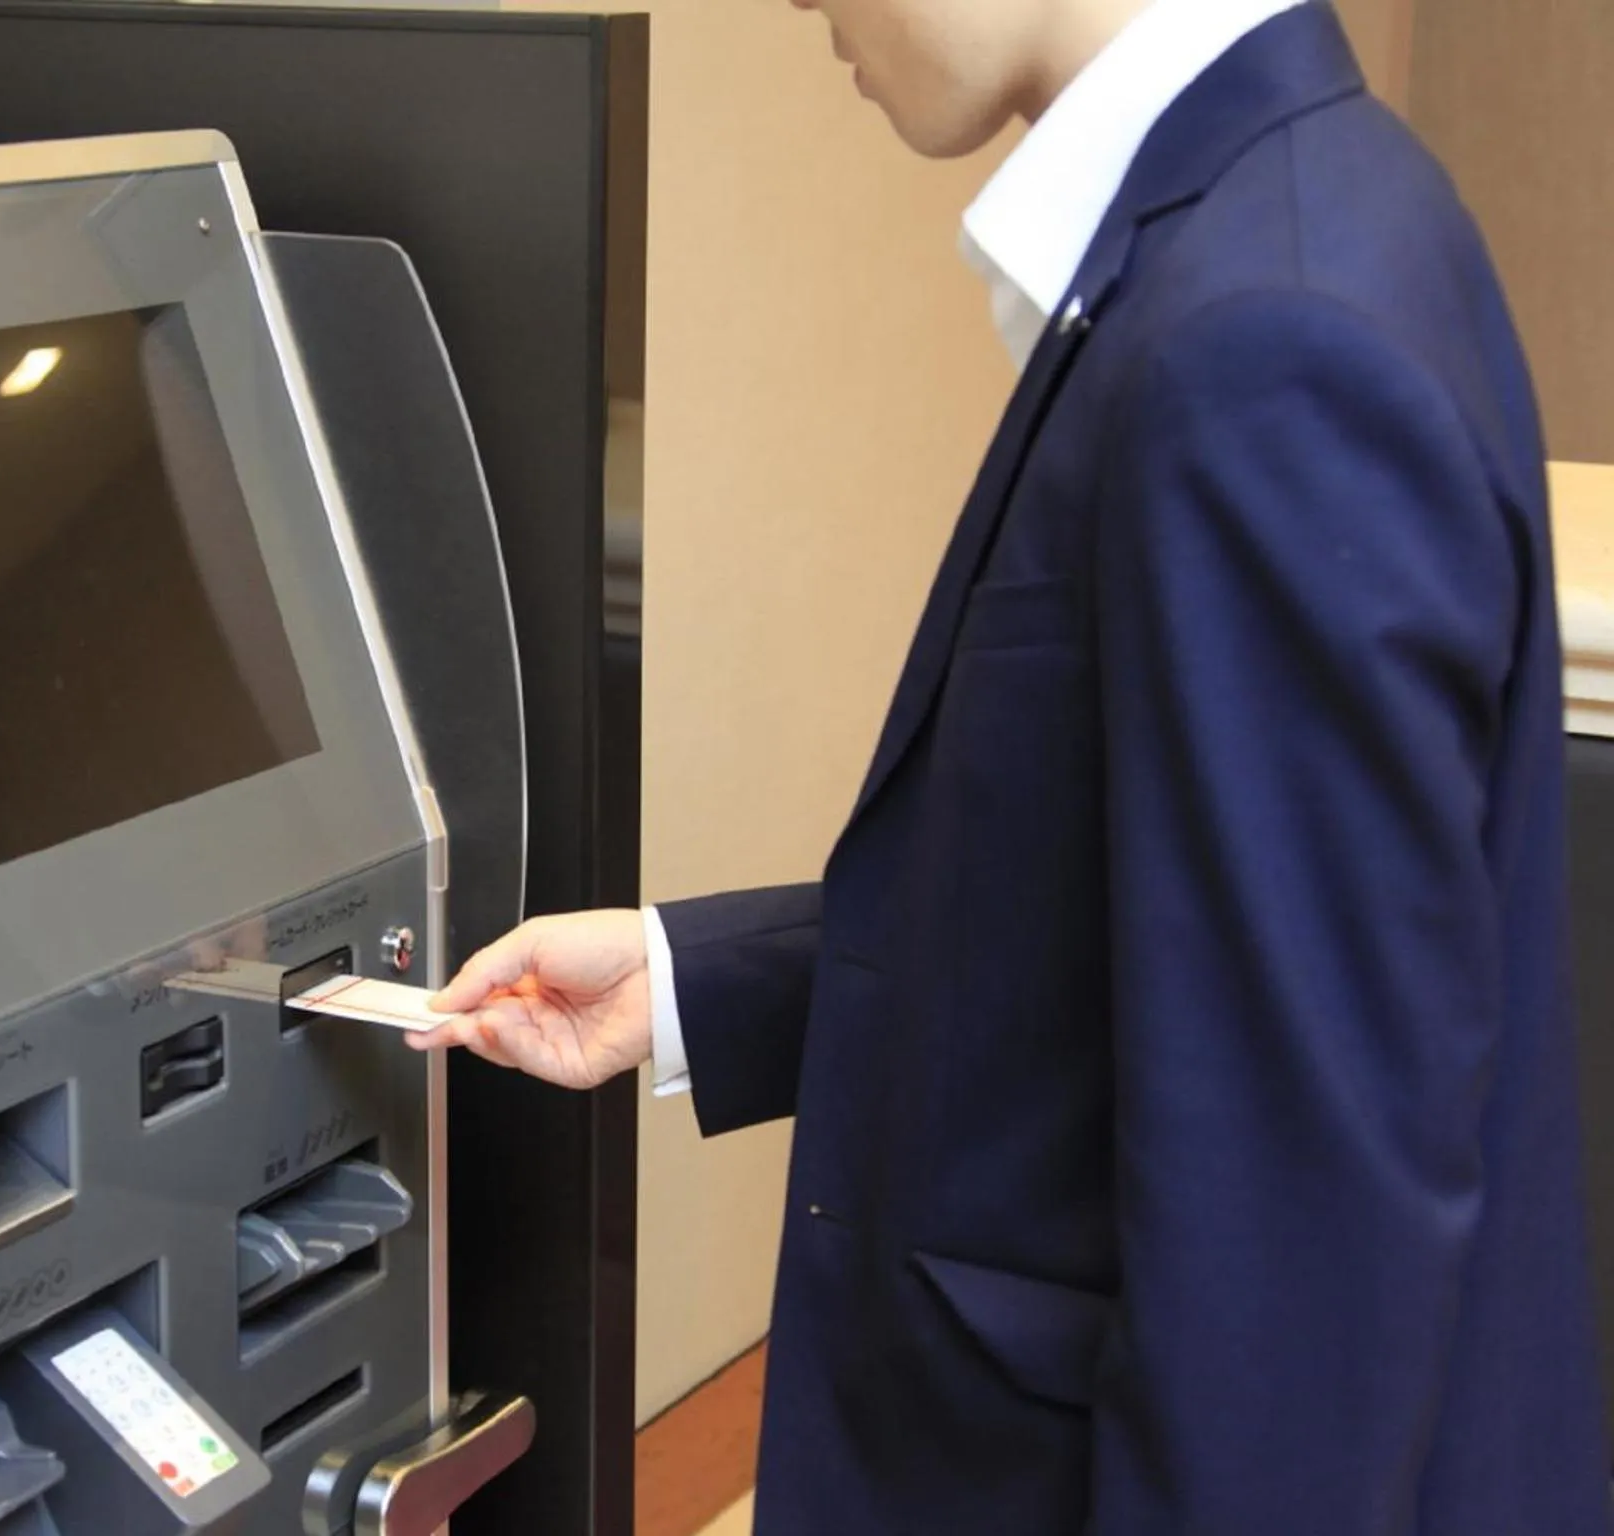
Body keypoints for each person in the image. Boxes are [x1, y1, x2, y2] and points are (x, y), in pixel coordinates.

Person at [408, 0, 1613, 1529]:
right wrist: (687, 980)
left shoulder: (1268, 344)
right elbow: (1126, 918)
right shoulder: (1294, 215)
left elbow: (1290, 1301)